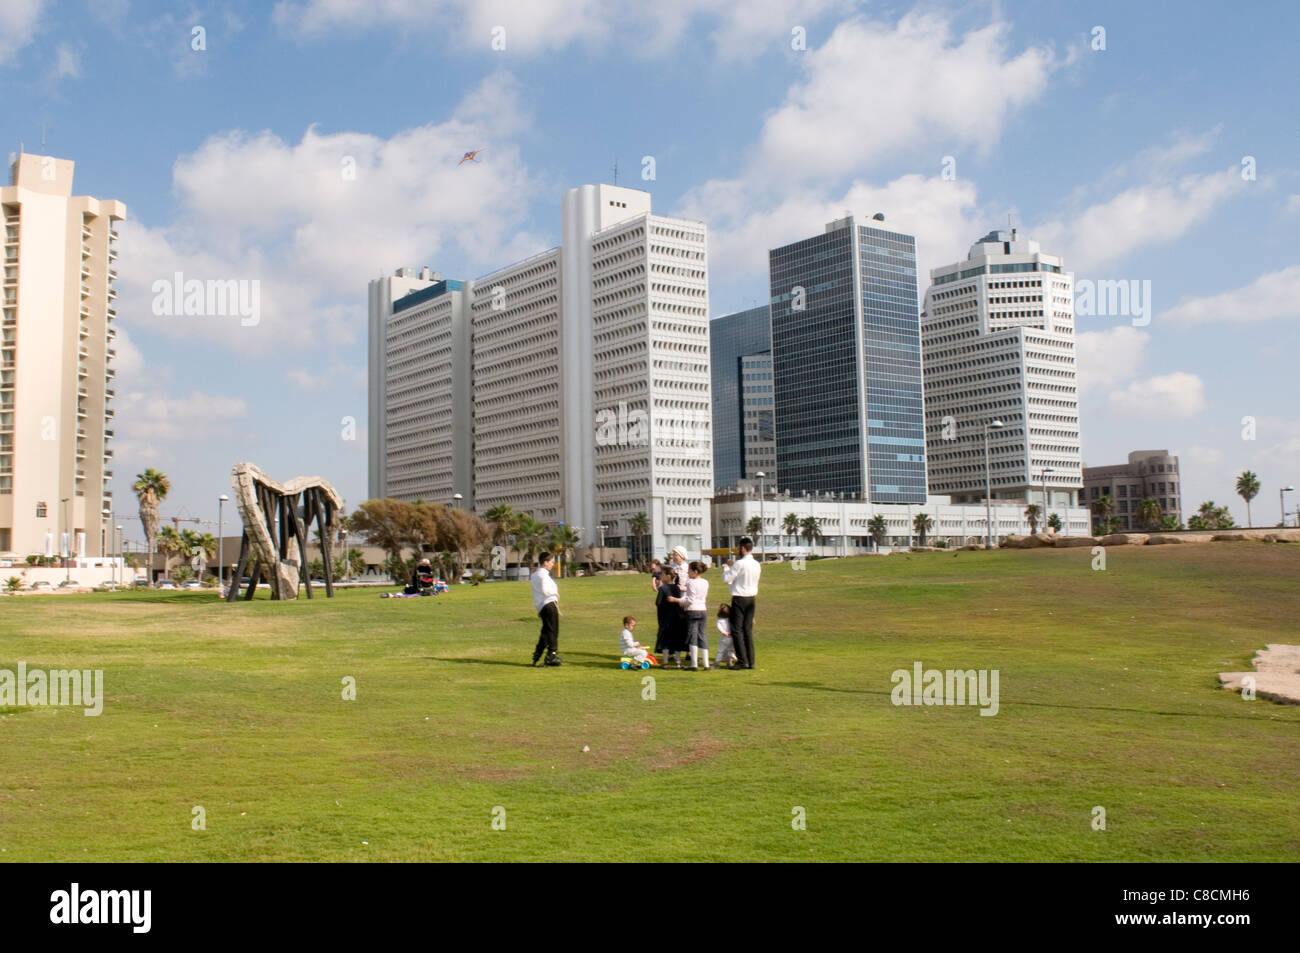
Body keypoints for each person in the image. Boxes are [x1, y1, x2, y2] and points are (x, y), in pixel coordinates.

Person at [722, 537, 760, 669]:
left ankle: (742, 660)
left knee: (737, 630)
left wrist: (727, 568)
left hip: (739, 597)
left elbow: (727, 579)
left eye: (739, 548)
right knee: (747, 630)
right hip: (751, 598)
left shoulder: (739, 564)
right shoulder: (756, 564)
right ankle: (751, 660)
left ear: (743, 548)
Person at [670, 561, 710, 670]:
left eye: (690, 570)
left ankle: (694, 664)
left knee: (692, 636)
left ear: (695, 571)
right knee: (702, 636)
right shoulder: (705, 582)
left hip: (692, 611)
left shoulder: (691, 583)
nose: (688, 572)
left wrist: (676, 600)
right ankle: (706, 664)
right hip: (702, 609)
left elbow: (690, 600)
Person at [530, 553, 561, 667]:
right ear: (545, 562)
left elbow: (536, 593)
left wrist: (538, 607)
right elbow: (544, 590)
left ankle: (537, 654)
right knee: (553, 631)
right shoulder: (543, 576)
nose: (553, 564)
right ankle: (551, 655)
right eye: (551, 562)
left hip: (542, 606)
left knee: (546, 632)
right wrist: (555, 593)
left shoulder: (534, 575)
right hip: (549, 604)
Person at [655, 566, 681, 664]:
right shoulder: (677, 588)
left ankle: (665, 661)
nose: (661, 576)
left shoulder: (663, 588)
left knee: (665, 640)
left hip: (665, 618)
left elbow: (658, 603)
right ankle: (678, 662)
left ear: (668, 576)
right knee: (676, 639)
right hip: (676, 617)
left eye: (663, 574)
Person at [715, 603, 736, 668]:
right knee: (730, 649)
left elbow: (719, 627)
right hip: (732, 637)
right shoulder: (730, 620)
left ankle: (717, 663)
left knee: (721, 650)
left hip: (725, 637)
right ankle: (729, 662)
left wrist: (724, 632)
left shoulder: (720, 620)